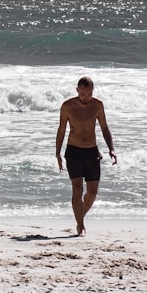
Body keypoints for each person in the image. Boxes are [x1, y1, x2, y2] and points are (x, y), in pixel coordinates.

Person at [55, 76, 117, 236]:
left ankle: (79, 216)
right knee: (77, 189)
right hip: (73, 151)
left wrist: (111, 148)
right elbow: (61, 130)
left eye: (89, 94)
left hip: (92, 151)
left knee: (92, 192)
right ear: (77, 90)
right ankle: (81, 226)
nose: (86, 98)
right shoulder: (67, 106)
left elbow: (104, 128)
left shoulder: (97, 105)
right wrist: (58, 153)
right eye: (83, 94)